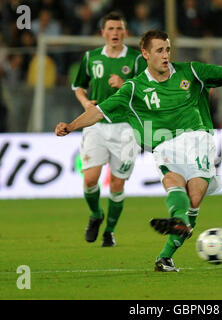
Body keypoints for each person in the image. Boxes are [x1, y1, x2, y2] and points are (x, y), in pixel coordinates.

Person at [56, 30, 222, 271]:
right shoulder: (133, 89)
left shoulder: (190, 71)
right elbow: (99, 112)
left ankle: (173, 237)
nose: (166, 55)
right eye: (159, 50)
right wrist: (71, 126)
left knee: (194, 196)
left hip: (196, 138)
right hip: (163, 145)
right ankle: (172, 241)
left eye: (168, 49)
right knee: (173, 182)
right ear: (146, 54)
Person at [71, 11, 147, 247]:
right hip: (96, 125)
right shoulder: (91, 57)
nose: (115, 33)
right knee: (90, 179)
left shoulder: (136, 59)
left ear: (125, 32)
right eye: (111, 29)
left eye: (119, 28)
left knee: (117, 184)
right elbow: (78, 86)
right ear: (103, 33)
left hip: (125, 129)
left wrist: (125, 85)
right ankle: (95, 215)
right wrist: (85, 103)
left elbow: (147, 92)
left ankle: (110, 231)